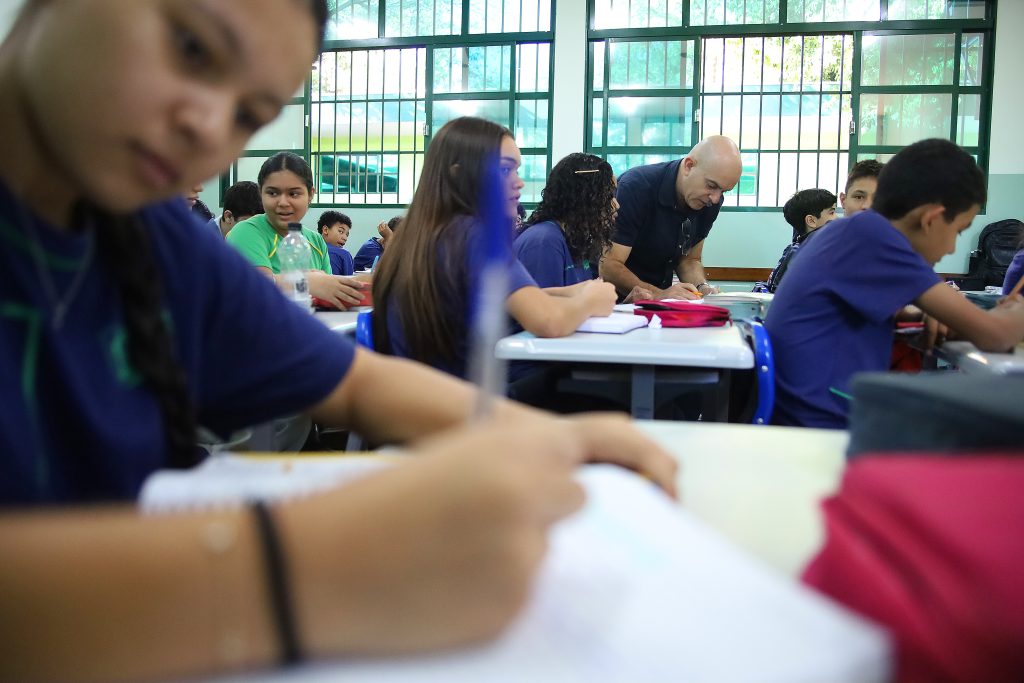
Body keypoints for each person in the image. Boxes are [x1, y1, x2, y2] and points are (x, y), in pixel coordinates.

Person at [0, 3, 677, 683]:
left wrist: (543, 439)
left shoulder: (149, 240)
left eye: (248, 115)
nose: (208, 126)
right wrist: (305, 571)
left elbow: (356, 379)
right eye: (191, 47)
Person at [765, 139, 1024, 429]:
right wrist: (1017, 307)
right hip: (826, 422)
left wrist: (916, 314)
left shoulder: (853, 232)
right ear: (932, 219)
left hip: (807, 410)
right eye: (958, 231)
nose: (952, 248)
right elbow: (996, 336)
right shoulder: (878, 239)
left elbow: (845, 315)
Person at [372, 117, 617, 381]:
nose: (519, 182)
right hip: (475, 401)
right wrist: (590, 301)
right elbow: (550, 323)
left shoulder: (421, 235)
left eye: (517, 170)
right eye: (504, 171)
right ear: (458, 175)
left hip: (432, 398)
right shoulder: (475, 237)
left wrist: (567, 293)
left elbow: (481, 299)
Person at [600, 136, 742, 301]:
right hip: (613, 304)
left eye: (724, 191)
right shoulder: (637, 187)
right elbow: (609, 265)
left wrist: (702, 288)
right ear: (689, 166)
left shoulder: (709, 200)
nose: (716, 199)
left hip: (658, 303)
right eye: (711, 186)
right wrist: (658, 294)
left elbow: (689, 260)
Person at [226, 151, 367, 309]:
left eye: (293, 193)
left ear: (310, 195)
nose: (283, 202)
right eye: (272, 193)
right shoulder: (246, 232)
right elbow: (255, 287)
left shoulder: (316, 240)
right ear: (261, 193)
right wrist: (305, 281)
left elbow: (327, 294)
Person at [516, 152, 650, 302]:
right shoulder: (544, 242)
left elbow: (578, 312)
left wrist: (627, 304)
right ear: (583, 198)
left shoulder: (576, 241)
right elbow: (543, 318)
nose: (616, 205)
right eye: (608, 196)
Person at [761, 188, 837, 293]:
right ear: (811, 220)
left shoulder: (797, 248)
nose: (837, 218)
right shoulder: (804, 254)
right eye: (832, 212)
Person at [317, 210, 355, 276]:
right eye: (341, 231)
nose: (345, 238)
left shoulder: (309, 248)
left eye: (347, 234)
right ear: (325, 230)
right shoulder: (343, 254)